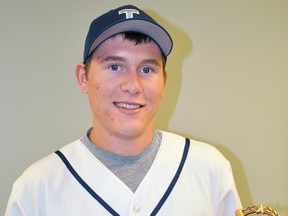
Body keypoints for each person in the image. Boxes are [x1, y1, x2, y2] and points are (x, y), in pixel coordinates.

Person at [5, 4, 242, 216]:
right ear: (83, 77)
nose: (133, 86)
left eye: (147, 69)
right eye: (115, 66)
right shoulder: (36, 189)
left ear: (164, 82)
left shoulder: (211, 169)